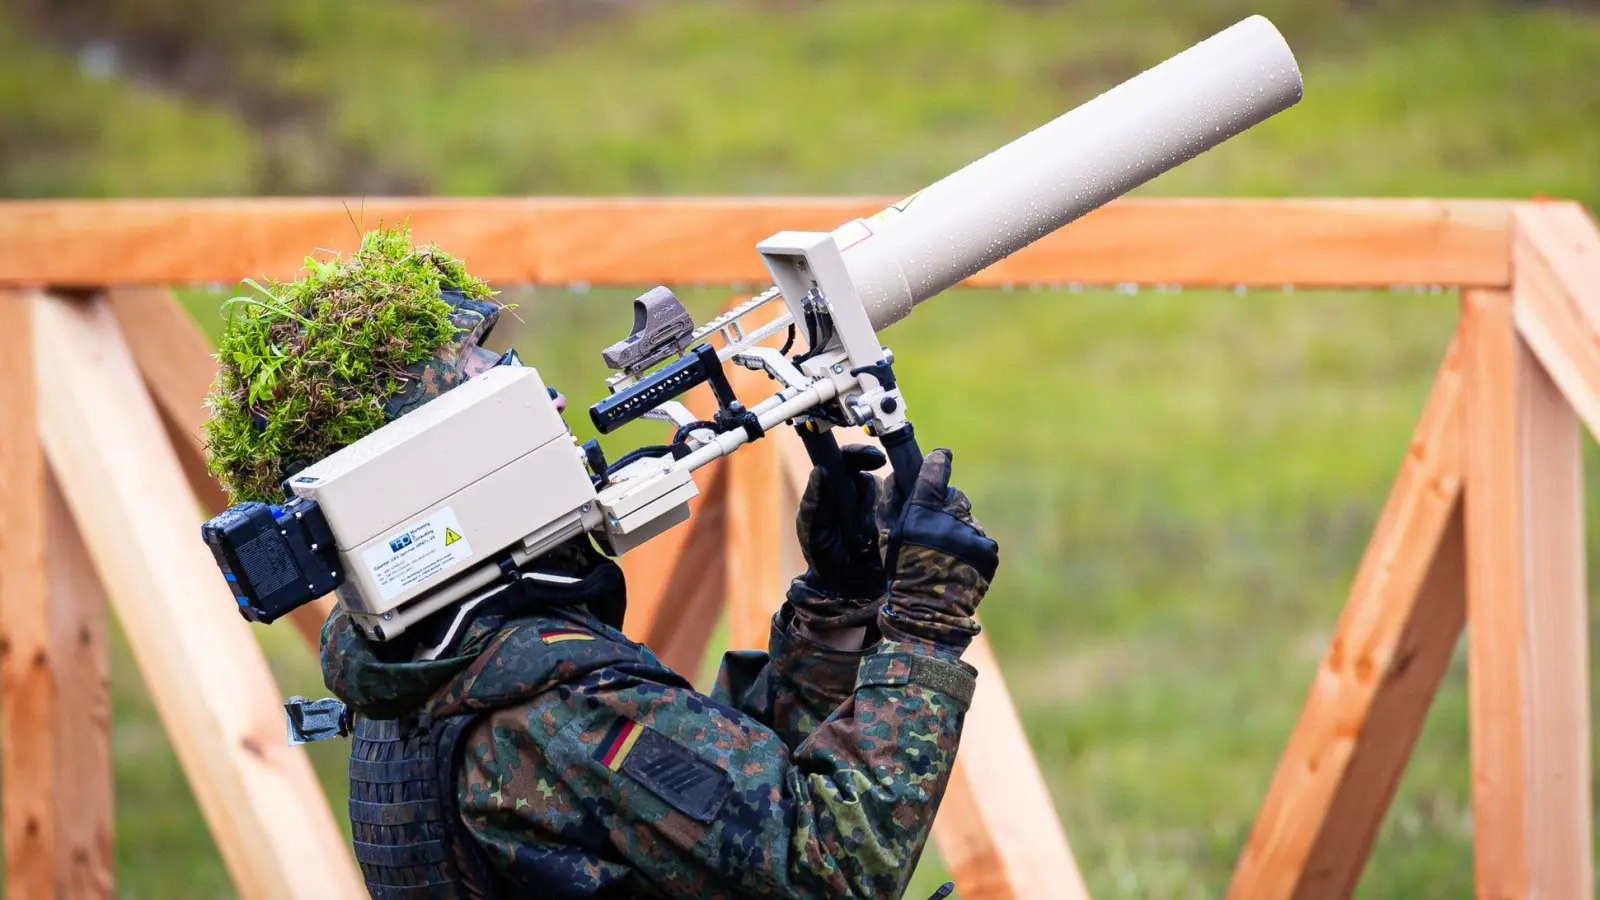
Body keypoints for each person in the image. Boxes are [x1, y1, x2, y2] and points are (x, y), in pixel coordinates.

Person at [208, 228, 999, 899]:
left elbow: (729, 828)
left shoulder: (429, 672)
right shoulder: (555, 716)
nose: (551, 400)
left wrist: (837, 606)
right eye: (499, 387)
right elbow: (827, 871)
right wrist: (922, 627)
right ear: (430, 469)